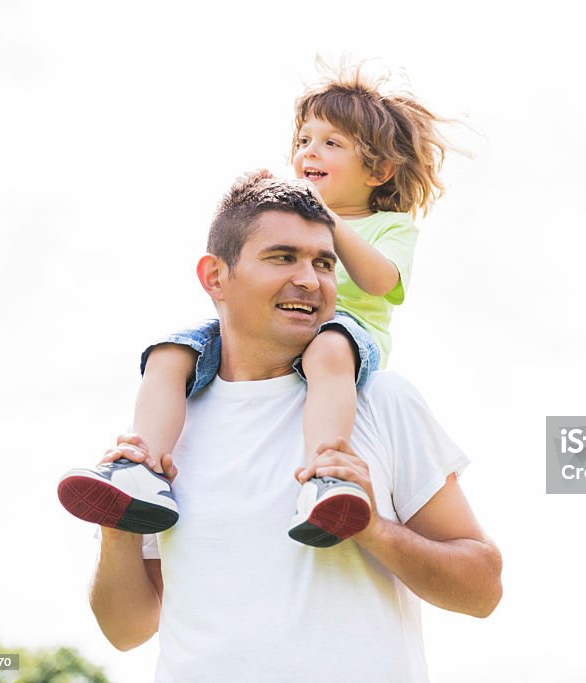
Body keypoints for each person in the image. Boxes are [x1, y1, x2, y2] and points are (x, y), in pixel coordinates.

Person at [87, 175, 502, 682]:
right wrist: (118, 529)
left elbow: (483, 590)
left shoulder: (381, 402)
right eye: (283, 257)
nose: (311, 280)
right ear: (215, 277)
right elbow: (126, 629)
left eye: (324, 263)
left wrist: (373, 529)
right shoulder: (168, 427)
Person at [58, 63, 450, 546]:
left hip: (343, 336)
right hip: (274, 333)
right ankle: (141, 467)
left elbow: (379, 280)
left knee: (326, 350)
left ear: (378, 171)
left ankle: (328, 472)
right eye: (306, 139)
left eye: (332, 143)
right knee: (170, 352)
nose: (311, 150)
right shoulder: (300, 216)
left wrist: (324, 215)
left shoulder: (391, 226)